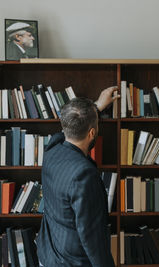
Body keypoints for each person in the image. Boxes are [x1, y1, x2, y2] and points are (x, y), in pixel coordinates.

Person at [36, 86, 119, 267]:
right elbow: (92, 236)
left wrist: (95, 107)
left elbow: (65, 130)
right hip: (72, 262)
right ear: (92, 133)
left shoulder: (51, 150)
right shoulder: (85, 175)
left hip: (48, 255)